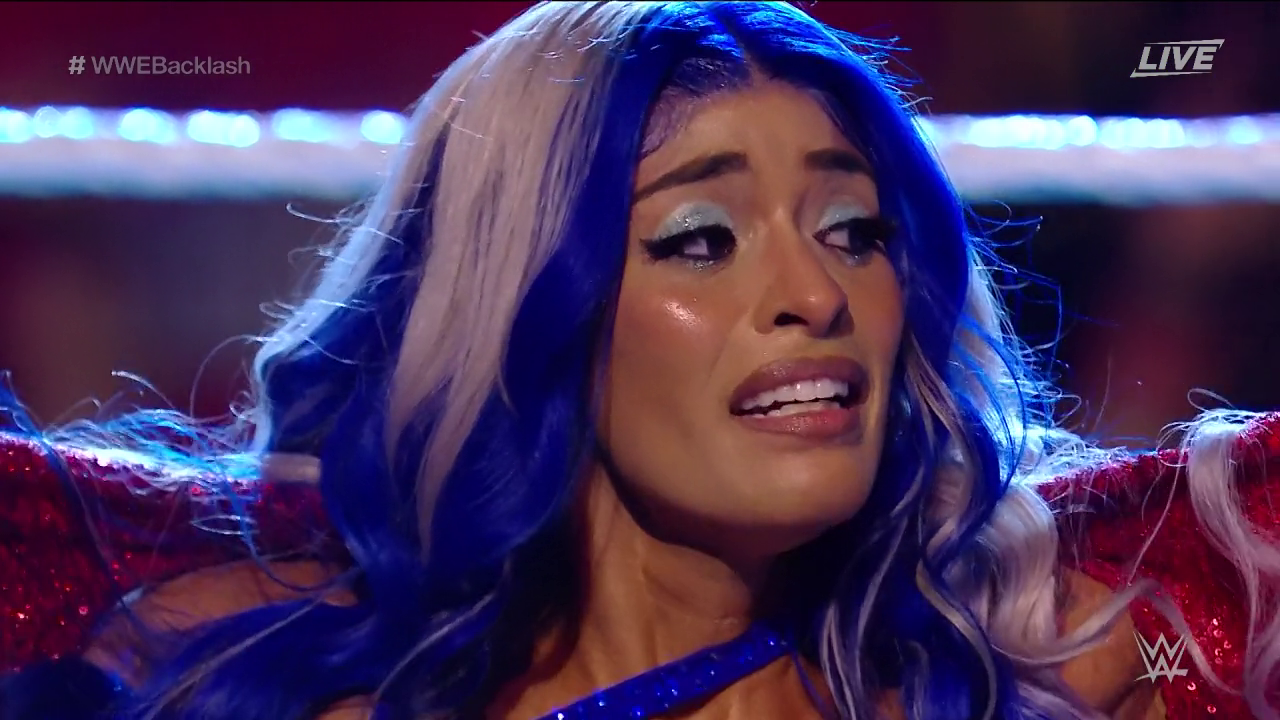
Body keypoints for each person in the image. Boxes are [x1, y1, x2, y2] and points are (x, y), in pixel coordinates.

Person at [1, 2, 1277, 719]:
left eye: (853, 229)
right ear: (525, 310)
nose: (814, 295)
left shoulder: (1057, 668)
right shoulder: (231, 672)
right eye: (700, 238)